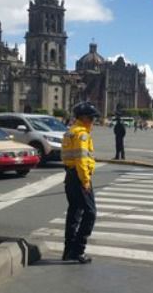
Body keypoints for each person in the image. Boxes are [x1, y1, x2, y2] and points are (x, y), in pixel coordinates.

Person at [61, 101, 100, 264]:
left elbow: (66, 157)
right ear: (83, 118)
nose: (93, 121)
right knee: (90, 213)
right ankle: (79, 250)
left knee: (74, 213)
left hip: (70, 176)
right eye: (91, 118)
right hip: (79, 177)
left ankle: (68, 250)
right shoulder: (82, 134)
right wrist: (85, 180)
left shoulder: (70, 132)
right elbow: (82, 159)